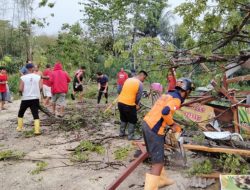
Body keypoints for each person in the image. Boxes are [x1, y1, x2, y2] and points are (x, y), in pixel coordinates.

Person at [142, 78, 194, 190]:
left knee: (156, 157)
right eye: (189, 91)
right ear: (186, 91)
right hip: (154, 129)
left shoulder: (167, 95)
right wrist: (173, 125)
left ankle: (162, 180)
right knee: (158, 162)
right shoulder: (177, 99)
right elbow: (165, 112)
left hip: (147, 123)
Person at [118, 70, 148, 140]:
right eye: (144, 78)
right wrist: (136, 105)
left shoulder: (128, 79)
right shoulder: (139, 83)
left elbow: (123, 90)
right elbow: (138, 97)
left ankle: (121, 133)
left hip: (120, 102)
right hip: (129, 104)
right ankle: (130, 136)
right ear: (141, 75)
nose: (144, 80)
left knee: (123, 118)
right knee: (133, 120)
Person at [16, 63, 42, 134]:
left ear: (27, 69)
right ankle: (37, 130)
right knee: (35, 114)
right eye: (33, 67)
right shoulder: (38, 77)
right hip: (35, 98)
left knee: (21, 112)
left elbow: (20, 89)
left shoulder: (23, 77)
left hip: (25, 98)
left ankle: (19, 127)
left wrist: (21, 93)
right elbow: (41, 87)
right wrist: (37, 93)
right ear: (32, 68)